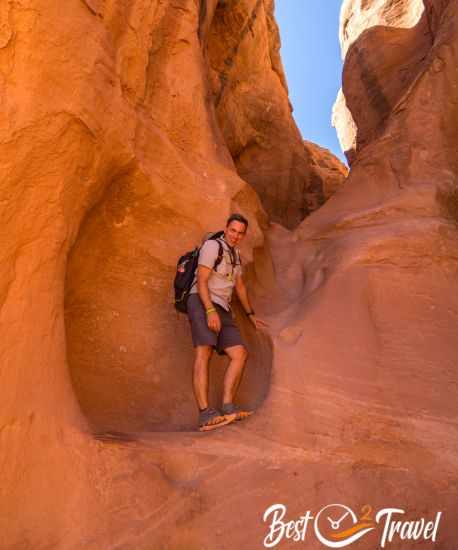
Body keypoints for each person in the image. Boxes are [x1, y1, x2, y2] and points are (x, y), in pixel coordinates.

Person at [187, 213, 268, 431]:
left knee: (239, 353)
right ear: (226, 229)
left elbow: (239, 286)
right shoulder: (213, 246)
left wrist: (251, 315)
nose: (236, 236)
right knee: (204, 352)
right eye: (233, 231)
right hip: (203, 302)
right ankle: (205, 414)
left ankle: (228, 406)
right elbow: (202, 280)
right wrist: (210, 310)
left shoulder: (235, 254)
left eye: (240, 233)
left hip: (223, 307)